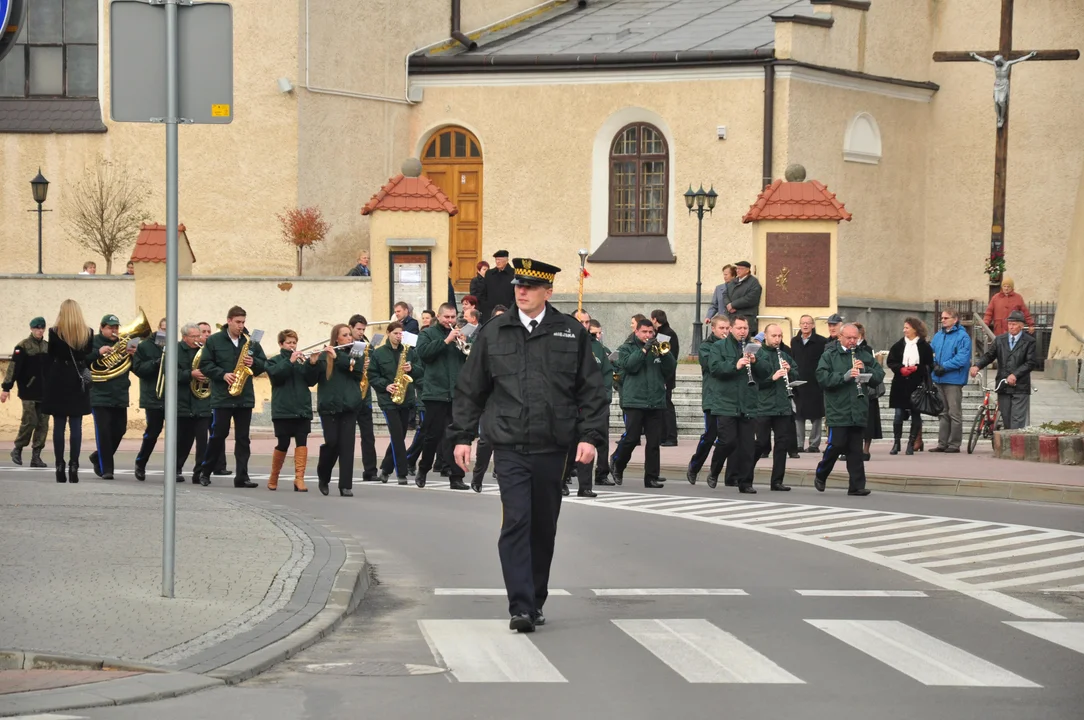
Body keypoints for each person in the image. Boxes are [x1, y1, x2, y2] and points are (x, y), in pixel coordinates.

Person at [450, 257, 607, 633]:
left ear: (547, 292)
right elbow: (471, 388)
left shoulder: (570, 332)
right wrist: (461, 435)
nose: (521, 291)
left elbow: (592, 389)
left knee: (543, 527)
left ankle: (535, 599)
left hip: (554, 446)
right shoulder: (494, 331)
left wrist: (590, 436)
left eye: (530, 287)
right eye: (518, 285)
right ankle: (520, 605)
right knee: (517, 520)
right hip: (509, 444)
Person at [195, 306, 267, 488]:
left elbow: (263, 364)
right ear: (229, 321)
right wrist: (223, 374)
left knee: (243, 438)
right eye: (238, 322)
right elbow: (205, 365)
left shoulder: (250, 342)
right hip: (222, 396)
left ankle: (242, 476)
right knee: (219, 434)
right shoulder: (214, 341)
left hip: (244, 396)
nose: (241, 326)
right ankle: (205, 471)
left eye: (243, 322)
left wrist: (255, 362)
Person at [814, 323, 885, 496]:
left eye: (856, 338)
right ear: (840, 337)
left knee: (855, 449)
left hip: (859, 408)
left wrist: (865, 370)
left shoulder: (864, 354)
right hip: (838, 408)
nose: (853, 341)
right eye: (849, 338)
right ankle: (821, 473)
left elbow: (879, 376)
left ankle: (856, 485)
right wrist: (844, 377)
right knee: (836, 444)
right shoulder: (829, 355)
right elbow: (822, 378)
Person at [610, 318, 676, 489]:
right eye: (645, 332)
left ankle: (651, 477)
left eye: (651, 332)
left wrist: (665, 355)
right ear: (636, 332)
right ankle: (617, 462)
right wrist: (645, 349)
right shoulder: (626, 348)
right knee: (631, 438)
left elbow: (670, 369)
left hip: (655, 400)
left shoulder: (658, 348)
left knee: (654, 443)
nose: (648, 335)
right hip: (635, 400)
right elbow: (630, 366)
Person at [415, 303, 469, 490]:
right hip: (435, 393)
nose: (450, 321)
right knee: (432, 435)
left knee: (456, 436)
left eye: (453, 317)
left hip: (456, 393)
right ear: (438, 317)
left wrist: (463, 344)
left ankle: (456, 477)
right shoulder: (427, 334)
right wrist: (446, 341)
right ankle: (423, 469)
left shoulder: (457, 335)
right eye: (447, 317)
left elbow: (466, 359)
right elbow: (423, 354)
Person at [705, 315, 759, 492]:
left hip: (747, 402)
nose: (742, 331)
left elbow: (766, 371)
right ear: (731, 329)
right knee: (728, 442)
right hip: (726, 402)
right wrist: (734, 365)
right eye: (739, 328)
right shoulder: (718, 347)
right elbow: (714, 368)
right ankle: (714, 469)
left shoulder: (754, 348)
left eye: (745, 328)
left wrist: (755, 362)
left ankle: (746, 483)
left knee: (747, 446)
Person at [42, 300, 93, 483]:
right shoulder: (87, 333)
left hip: (59, 379)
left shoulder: (55, 332)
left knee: (59, 425)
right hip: (78, 379)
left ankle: (59, 465)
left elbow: (51, 356)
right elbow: (87, 355)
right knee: (76, 426)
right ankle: (74, 466)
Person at [264, 329, 320, 491]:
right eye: (289, 343)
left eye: (294, 342)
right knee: (283, 443)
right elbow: (276, 376)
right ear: (281, 344)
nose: (292, 345)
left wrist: (312, 363)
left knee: (302, 442)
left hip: (301, 409)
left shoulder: (302, 361)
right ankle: (274, 476)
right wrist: (290, 361)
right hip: (283, 410)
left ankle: (299, 479)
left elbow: (311, 381)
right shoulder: (273, 361)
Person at [314, 324, 364, 496]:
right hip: (329, 407)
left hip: (349, 406)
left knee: (347, 447)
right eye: (345, 335)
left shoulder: (356, 351)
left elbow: (356, 369)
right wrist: (312, 363)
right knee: (332, 443)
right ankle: (323, 475)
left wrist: (337, 357)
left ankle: (345, 485)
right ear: (336, 338)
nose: (350, 337)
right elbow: (311, 379)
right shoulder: (324, 355)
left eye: (350, 334)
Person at [370, 322, 421, 485]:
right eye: (396, 333)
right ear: (388, 333)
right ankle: (402, 473)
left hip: (405, 399)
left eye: (401, 334)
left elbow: (421, 370)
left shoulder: (409, 352)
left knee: (400, 435)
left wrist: (411, 368)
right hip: (388, 400)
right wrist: (385, 385)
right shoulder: (379, 354)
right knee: (397, 436)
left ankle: (385, 469)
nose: (399, 336)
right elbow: (372, 375)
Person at [88, 313, 136, 480]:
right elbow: (83, 361)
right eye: (110, 328)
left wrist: (134, 355)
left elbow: (136, 369)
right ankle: (107, 469)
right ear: (102, 328)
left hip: (120, 394)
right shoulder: (92, 342)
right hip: (99, 394)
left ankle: (97, 456)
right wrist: (98, 353)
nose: (114, 330)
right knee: (104, 432)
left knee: (120, 430)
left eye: (116, 327)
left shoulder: (126, 341)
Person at [970, 310, 1037, 429]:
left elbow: (1030, 362)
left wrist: (1015, 375)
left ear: (1021, 326)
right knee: (1006, 419)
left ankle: (1015, 446)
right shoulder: (1000, 340)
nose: (1011, 326)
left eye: (1014, 324)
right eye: (1010, 323)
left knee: (1017, 421)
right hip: (1003, 386)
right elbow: (989, 355)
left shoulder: (1029, 341)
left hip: (1020, 387)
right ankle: (1008, 446)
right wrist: (977, 365)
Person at [752, 323, 798, 491]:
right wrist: (772, 378)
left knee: (782, 444)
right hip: (763, 406)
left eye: (780, 336)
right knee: (762, 444)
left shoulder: (784, 355)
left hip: (782, 406)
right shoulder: (758, 354)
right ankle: (746, 472)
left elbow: (797, 374)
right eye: (774, 336)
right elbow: (754, 383)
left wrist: (790, 370)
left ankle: (777, 481)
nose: (777, 339)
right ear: (766, 336)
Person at [687, 315, 729, 485]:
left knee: (727, 438)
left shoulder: (733, 345)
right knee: (710, 436)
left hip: (729, 398)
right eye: (722, 328)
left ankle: (714, 471)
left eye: (727, 328)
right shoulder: (706, 346)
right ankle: (695, 465)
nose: (725, 332)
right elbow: (711, 365)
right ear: (713, 329)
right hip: (712, 397)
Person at [2, 316, 50, 467]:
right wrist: (6, 388)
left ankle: (36, 456)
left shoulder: (47, 346)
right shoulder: (23, 346)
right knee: (30, 421)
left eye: (42, 328)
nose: (39, 331)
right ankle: (18, 448)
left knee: (43, 424)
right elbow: (13, 368)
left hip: (44, 392)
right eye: (36, 328)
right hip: (28, 390)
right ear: (31, 328)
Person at [886, 317, 934, 456]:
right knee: (898, 415)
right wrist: (900, 369)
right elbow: (891, 361)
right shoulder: (898, 345)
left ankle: (911, 443)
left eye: (907, 327)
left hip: (917, 384)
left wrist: (917, 368)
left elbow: (929, 365)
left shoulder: (924, 346)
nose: (904, 330)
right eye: (904, 327)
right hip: (900, 384)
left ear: (915, 329)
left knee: (916, 414)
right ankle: (896, 442)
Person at [929, 308, 972, 453]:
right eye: (942, 318)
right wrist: (933, 364)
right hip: (939, 378)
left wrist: (944, 366)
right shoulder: (938, 336)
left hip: (953, 379)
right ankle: (942, 443)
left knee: (954, 413)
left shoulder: (962, 336)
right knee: (942, 412)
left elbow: (962, 357)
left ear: (955, 319)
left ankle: (954, 444)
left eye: (946, 318)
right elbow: (931, 352)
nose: (943, 320)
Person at [175, 323, 212, 483]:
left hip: (202, 402)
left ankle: (200, 473)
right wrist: (190, 374)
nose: (198, 339)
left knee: (203, 441)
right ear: (184, 337)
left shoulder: (205, 351)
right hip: (182, 402)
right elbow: (170, 373)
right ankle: (175, 469)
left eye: (199, 336)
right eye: (194, 336)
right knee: (183, 441)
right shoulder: (175, 350)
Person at [131, 329, 168, 481]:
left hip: (173, 397)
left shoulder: (176, 345)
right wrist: (156, 363)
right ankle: (141, 463)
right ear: (158, 329)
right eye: (164, 328)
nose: (166, 332)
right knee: (152, 433)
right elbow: (138, 369)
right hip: (153, 397)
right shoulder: (144, 346)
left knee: (179, 435)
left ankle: (176, 468)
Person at [348, 314, 380, 481]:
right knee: (348, 437)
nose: (361, 332)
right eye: (358, 329)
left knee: (368, 436)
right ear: (351, 328)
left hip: (365, 397)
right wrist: (360, 364)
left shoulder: (366, 346)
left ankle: (371, 471)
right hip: (350, 398)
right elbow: (349, 368)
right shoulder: (347, 346)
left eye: (363, 329)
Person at [790, 314, 827, 453]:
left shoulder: (821, 342)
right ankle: (799, 443)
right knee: (798, 415)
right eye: (803, 323)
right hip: (799, 383)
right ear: (799, 325)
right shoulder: (794, 341)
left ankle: (813, 444)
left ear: (813, 325)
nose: (805, 325)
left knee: (816, 415)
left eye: (808, 323)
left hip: (815, 383)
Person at [649, 309, 680, 446]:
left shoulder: (666, 334)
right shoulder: (667, 332)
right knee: (663, 406)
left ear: (655, 319)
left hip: (665, 375)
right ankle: (664, 435)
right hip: (665, 374)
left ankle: (671, 436)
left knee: (667, 406)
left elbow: (663, 355)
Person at [725, 261, 763, 336]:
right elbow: (725, 294)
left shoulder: (753, 282)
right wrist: (728, 305)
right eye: (737, 268)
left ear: (747, 270)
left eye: (740, 268)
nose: (737, 271)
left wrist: (733, 304)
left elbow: (751, 298)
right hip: (732, 318)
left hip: (746, 318)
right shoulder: (733, 281)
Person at [477, 249, 515, 319]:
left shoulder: (513, 274)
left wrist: (511, 309)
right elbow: (483, 292)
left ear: (506, 260)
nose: (497, 262)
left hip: (508, 312)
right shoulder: (489, 274)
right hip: (490, 313)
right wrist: (485, 307)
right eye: (496, 259)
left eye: (500, 259)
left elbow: (515, 294)